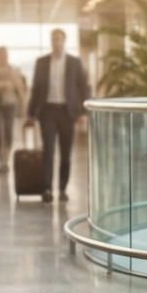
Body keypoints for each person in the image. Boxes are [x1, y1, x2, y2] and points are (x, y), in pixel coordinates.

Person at [25, 29, 89, 203]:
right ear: (51, 41)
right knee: (48, 151)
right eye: (54, 39)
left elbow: (83, 87)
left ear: (64, 41)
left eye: (59, 39)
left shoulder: (74, 62)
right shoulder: (42, 62)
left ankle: (62, 189)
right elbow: (36, 89)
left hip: (67, 113)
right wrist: (30, 114)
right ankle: (47, 188)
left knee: (66, 153)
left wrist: (83, 112)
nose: (56, 42)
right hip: (47, 112)